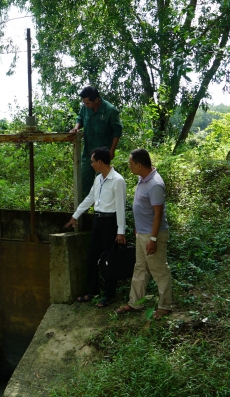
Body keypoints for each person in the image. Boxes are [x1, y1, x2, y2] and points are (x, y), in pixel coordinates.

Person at [116, 148, 174, 320]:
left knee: (159, 269)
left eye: (131, 164)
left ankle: (165, 306)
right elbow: (142, 208)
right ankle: (135, 302)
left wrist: (153, 238)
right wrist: (137, 227)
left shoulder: (155, 184)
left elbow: (158, 214)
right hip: (142, 233)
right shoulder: (143, 179)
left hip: (152, 235)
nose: (129, 166)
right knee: (140, 267)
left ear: (139, 165)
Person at [65, 146, 126, 307]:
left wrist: (121, 231)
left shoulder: (118, 180)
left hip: (111, 222)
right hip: (98, 221)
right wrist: (75, 215)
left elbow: (120, 207)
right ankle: (92, 290)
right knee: (91, 256)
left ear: (100, 162)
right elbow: (90, 198)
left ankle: (109, 294)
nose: (91, 164)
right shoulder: (98, 179)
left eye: (93, 161)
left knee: (109, 259)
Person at [69, 86, 123, 199]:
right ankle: (83, 213)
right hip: (87, 154)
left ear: (96, 100)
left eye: (87, 103)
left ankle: (102, 211)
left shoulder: (110, 110)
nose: (85, 105)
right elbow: (80, 118)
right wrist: (76, 128)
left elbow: (117, 131)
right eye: (84, 103)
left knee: (103, 185)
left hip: (102, 156)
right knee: (83, 184)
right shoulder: (85, 107)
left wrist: (111, 151)